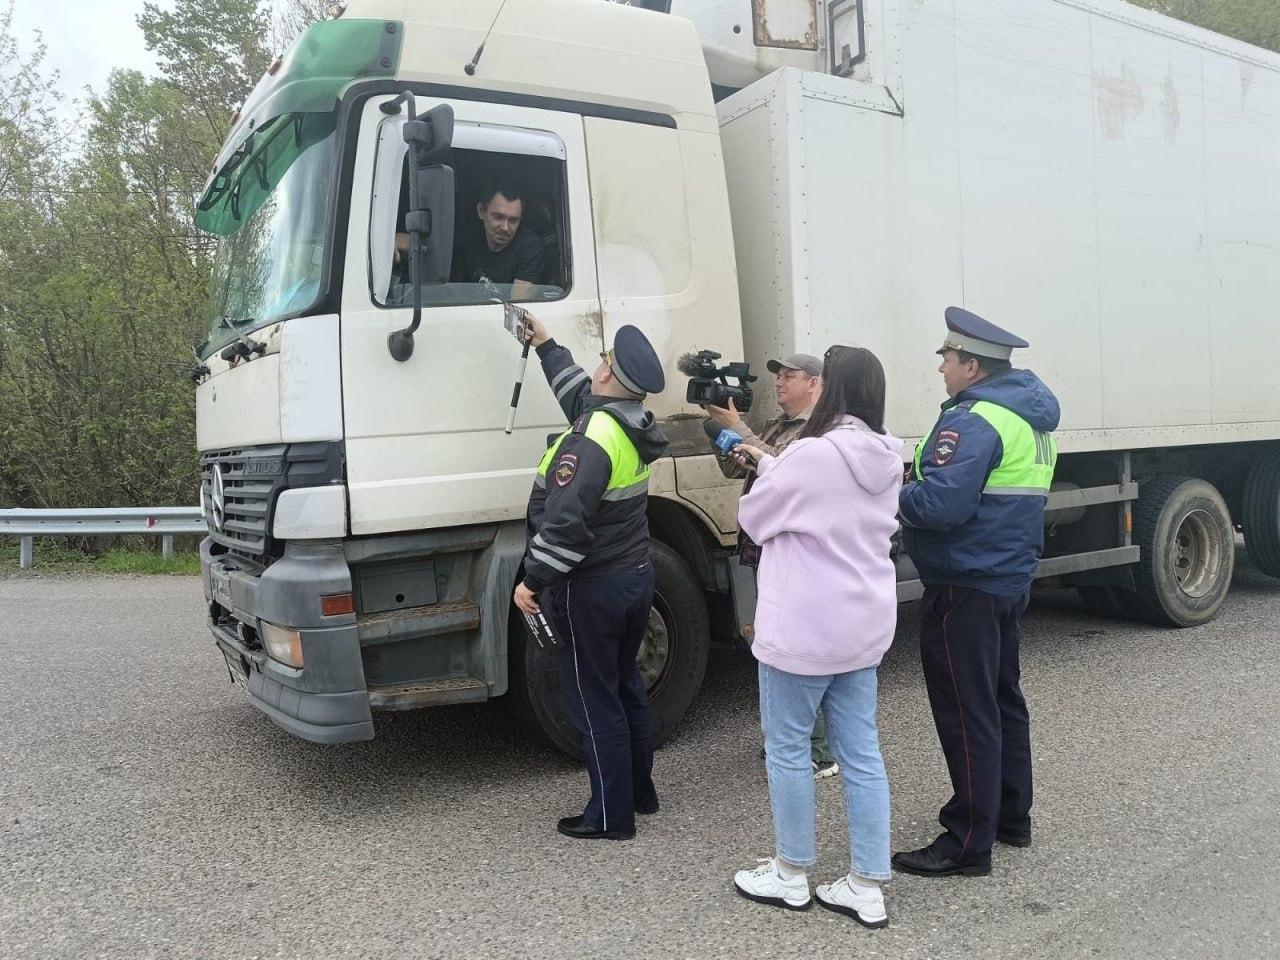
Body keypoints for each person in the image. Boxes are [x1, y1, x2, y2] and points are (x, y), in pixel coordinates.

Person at [729, 346, 901, 927]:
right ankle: (867, 883)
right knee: (862, 753)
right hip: (863, 626)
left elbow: (755, 519)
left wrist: (767, 466)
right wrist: (772, 461)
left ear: (833, 391)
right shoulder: (887, 456)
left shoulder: (810, 454)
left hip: (801, 628)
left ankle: (792, 872)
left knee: (788, 750)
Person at [893, 306, 1060, 878]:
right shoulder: (1029, 418)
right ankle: (1011, 816)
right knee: (1002, 701)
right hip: (1006, 578)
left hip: (964, 582)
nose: (941, 367)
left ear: (973, 365)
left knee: (968, 712)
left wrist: (897, 490)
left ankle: (967, 842)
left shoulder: (975, 419)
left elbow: (941, 505)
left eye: (947, 358)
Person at [512, 314, 668, 841]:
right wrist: (545, 344)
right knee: (625, 686)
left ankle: (609, 815)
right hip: (633, 577)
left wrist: (531, 581)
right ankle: (639, 793)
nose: (596, 367)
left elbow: (565, 528)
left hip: (593, 588)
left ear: (607, 375)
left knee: (592, 698)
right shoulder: (629, 421)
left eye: (601, 361)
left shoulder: (589, 442)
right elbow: (578, 394)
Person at [707, 355, 840, 779]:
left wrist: (740, 428)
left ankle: (818, 752)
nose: (779, 383)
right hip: (767, 549)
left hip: (797, 553)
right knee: (777, 645)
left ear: (815, 383)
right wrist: (719, 431)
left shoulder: (819, 427)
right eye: (777, 376)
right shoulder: (777, 424)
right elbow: (738, 467)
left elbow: (785, 467)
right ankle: (796, 742)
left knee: (800, 650)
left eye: (788, 376)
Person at [395, 182, 548, 300]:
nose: (505, 227)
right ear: (481, 211)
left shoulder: (531, 247)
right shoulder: (469, 233)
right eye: (498, 217)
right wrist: (394, 241)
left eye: (513, 220)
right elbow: (423, 245)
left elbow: (518, 308)